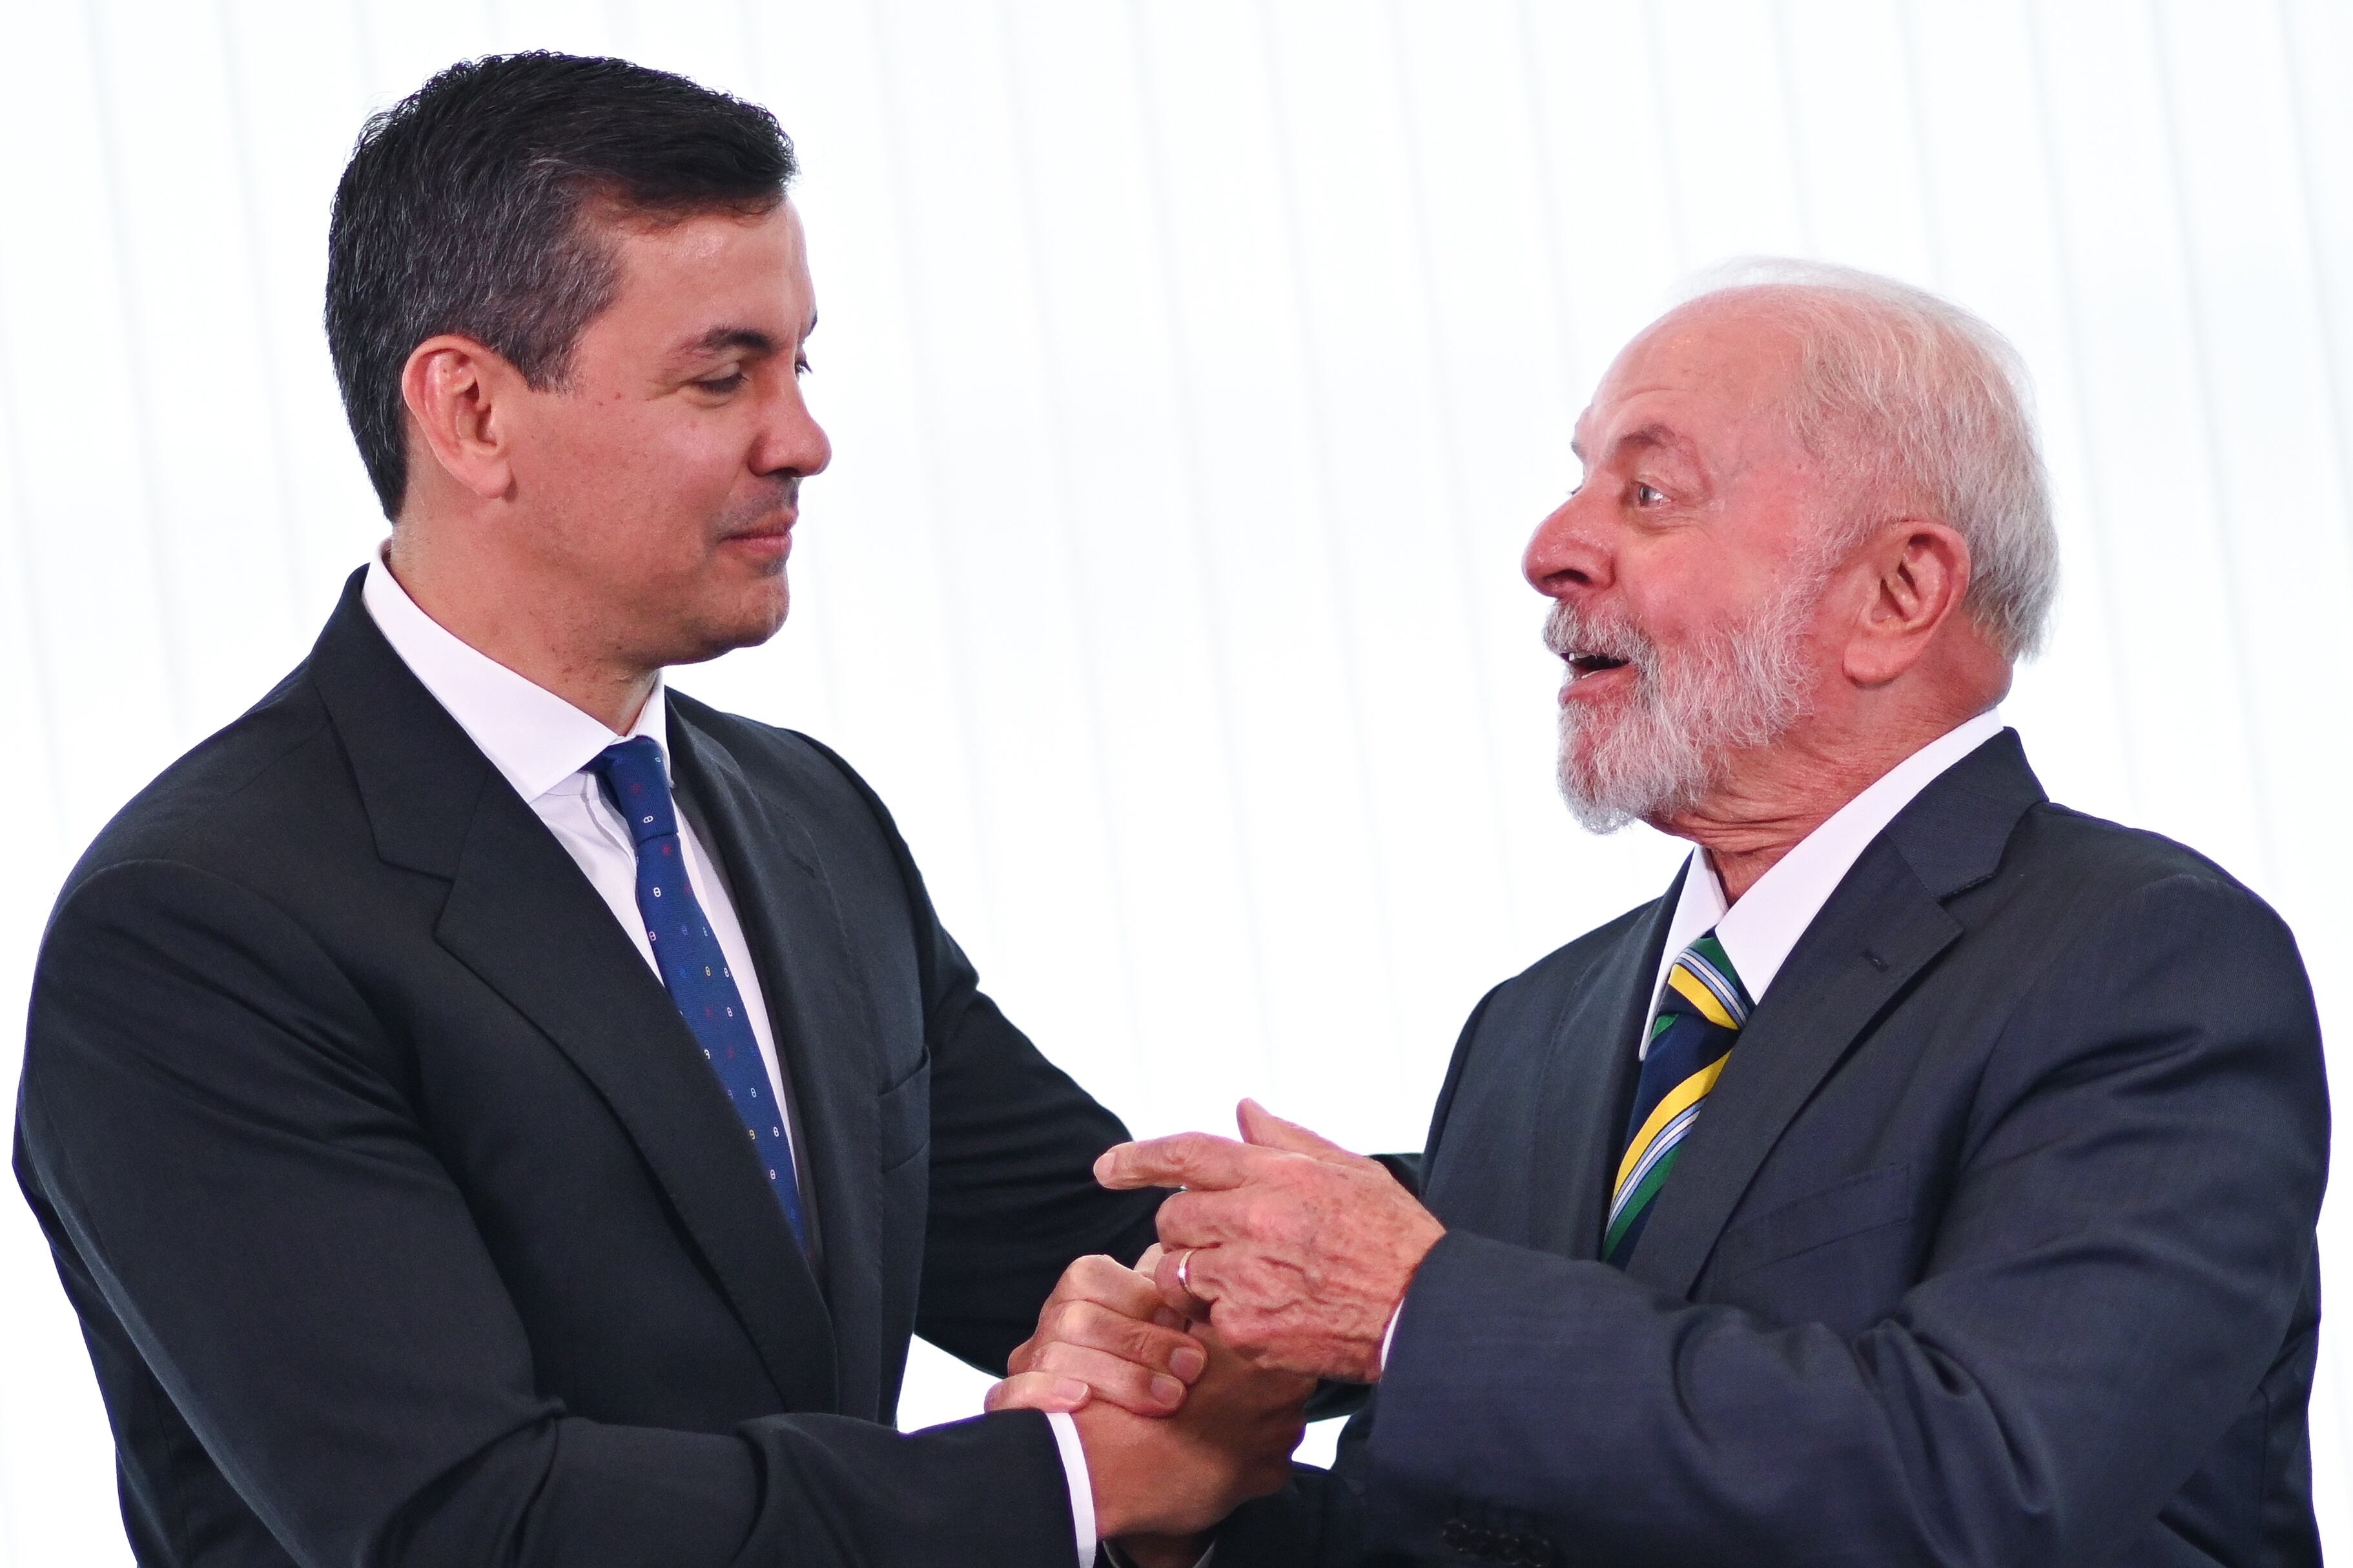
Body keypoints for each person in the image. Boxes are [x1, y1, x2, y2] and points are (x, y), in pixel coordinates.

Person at [12, 52, 1303, 1568]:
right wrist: (1074, 1489)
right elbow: (466, 1524)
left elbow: (1094, 1256)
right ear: (474, 411)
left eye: (800, 366)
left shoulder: (807, 821)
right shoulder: (198, 929)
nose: (802, 440)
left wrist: (1541, 1239)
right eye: (723, 375)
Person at [1009, 262, 2329, 1565]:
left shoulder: (2147, 967)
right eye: (1579, 481)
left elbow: (1988, 1484)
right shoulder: (1535, 1030)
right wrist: (1176, 1510)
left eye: (1645, 492)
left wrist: (1415, 1302)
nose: (1550, 550)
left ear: (1897, 595)